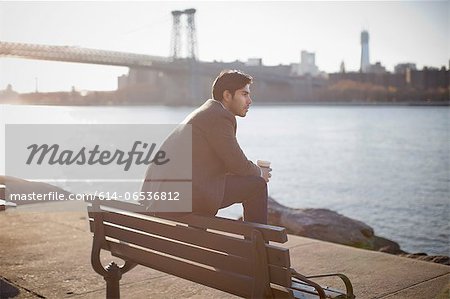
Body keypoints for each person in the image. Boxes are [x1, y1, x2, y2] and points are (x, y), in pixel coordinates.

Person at [142, 70, 271, 224]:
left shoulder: (204, 112)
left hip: (161, 196)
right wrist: (259, 173)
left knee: (216, 187)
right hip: (180, 198)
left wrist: (249, 171)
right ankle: (259, 246)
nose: (249, 100)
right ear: (227, 96)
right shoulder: (218, 117)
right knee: (257, 186)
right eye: (244, 94)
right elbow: (238, 164)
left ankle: (197, 241)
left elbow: (226, 164)